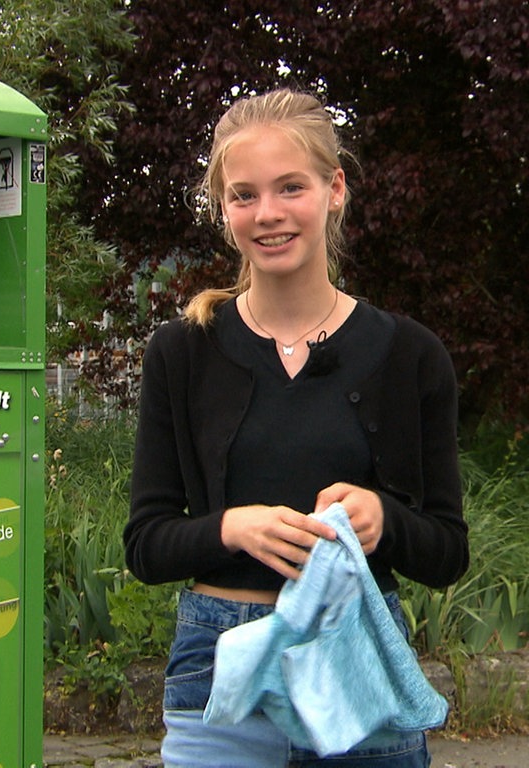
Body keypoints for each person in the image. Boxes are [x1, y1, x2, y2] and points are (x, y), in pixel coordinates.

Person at [124, 88, 469, 767]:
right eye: (244, 194)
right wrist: (232, 527)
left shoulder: (411, 354)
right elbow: (146, 544)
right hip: (219, 662)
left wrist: (383, 518)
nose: (268, 214)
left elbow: (446, 552)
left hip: (357, 663)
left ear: (334, 188)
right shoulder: (181, 352)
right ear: (223, 208)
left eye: (291, 188)